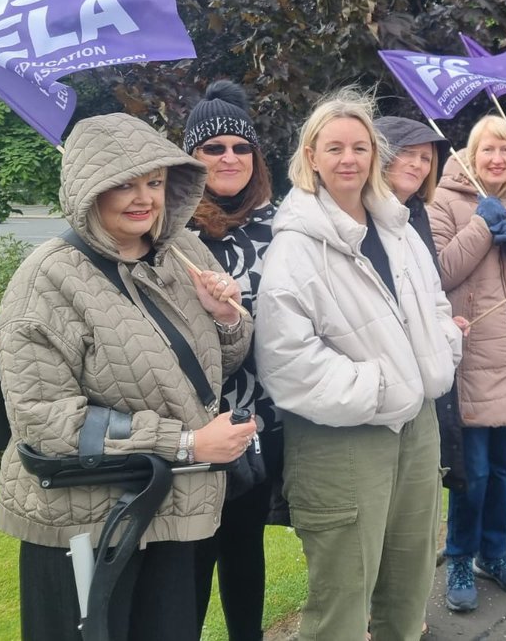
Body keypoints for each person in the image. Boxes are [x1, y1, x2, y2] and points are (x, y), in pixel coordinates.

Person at [0, 112, 255, 640]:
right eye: (123, 184)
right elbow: (46, 422)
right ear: (89, 190)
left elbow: (208, 372)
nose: (144, 198)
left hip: (173, 509)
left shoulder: (184, 255)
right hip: (85, 525)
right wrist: (187, 444)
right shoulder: (47, 279)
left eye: (155, 182)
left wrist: (227, 319)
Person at [254, 90, 462, 640]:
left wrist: (437, 357)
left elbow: (437, 305)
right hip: (342, 438)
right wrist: (382, 388)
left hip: (417, 426)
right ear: (311, 156)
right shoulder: (294, 248)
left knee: (410, 582)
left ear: (375, 154)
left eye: (361, 147)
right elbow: (287, 361)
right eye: (335, 147)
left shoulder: (396, 229)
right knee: (343, 603)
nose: (349, 159)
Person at [428, 114, 506, 613]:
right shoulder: (445, 200)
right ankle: (459, 555)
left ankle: (495, 553)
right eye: (488, 150)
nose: (498, 159)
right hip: (471, 352)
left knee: (505, 468)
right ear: (471, 155)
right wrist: (482, 225)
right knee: (472, 471)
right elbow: (441, 272)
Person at [182, 80, 282, 640]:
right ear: (191, 157)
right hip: (193, 419)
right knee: (194, 555)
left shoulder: (281, 223)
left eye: (241, 147)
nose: (229, 157)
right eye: (213, 147)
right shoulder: (168, 230)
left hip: (260, 415)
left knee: (246, 546)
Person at [375, 115, 470, 497]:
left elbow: (430, 291)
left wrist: (443, 326)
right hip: (384, 381)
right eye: (408, 154)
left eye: (426, 158)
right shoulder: (362, 217)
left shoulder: (416, 214)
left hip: (424, 375)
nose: (418, 164)